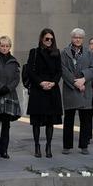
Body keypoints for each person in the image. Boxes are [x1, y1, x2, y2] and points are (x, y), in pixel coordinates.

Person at [26, 28, 62, 158]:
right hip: (38, 89)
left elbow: (59, 71)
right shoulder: (34, 52)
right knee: (36, 120)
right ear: (42, 39)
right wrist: (41, 83)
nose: (49, 41)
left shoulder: (56, 53)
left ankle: (48, 146)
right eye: (47, 38)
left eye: (51, 39)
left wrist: (53, 83)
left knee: (50, 121)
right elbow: (30, 71)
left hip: (52, 90)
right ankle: (37, 145)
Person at [60, 27, 93, 155]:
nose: (77, 39)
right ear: (72, 38)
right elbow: (63, 70)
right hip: (70, 89)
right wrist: (75, 82)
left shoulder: (88, 53)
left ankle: (84, 145)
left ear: (83, 39)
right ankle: (67, 146)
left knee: (85, 120)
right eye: (75, 37)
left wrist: (83, 79)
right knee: (69, 120)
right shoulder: (64, 52)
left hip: (85, 90)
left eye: (80, 37)